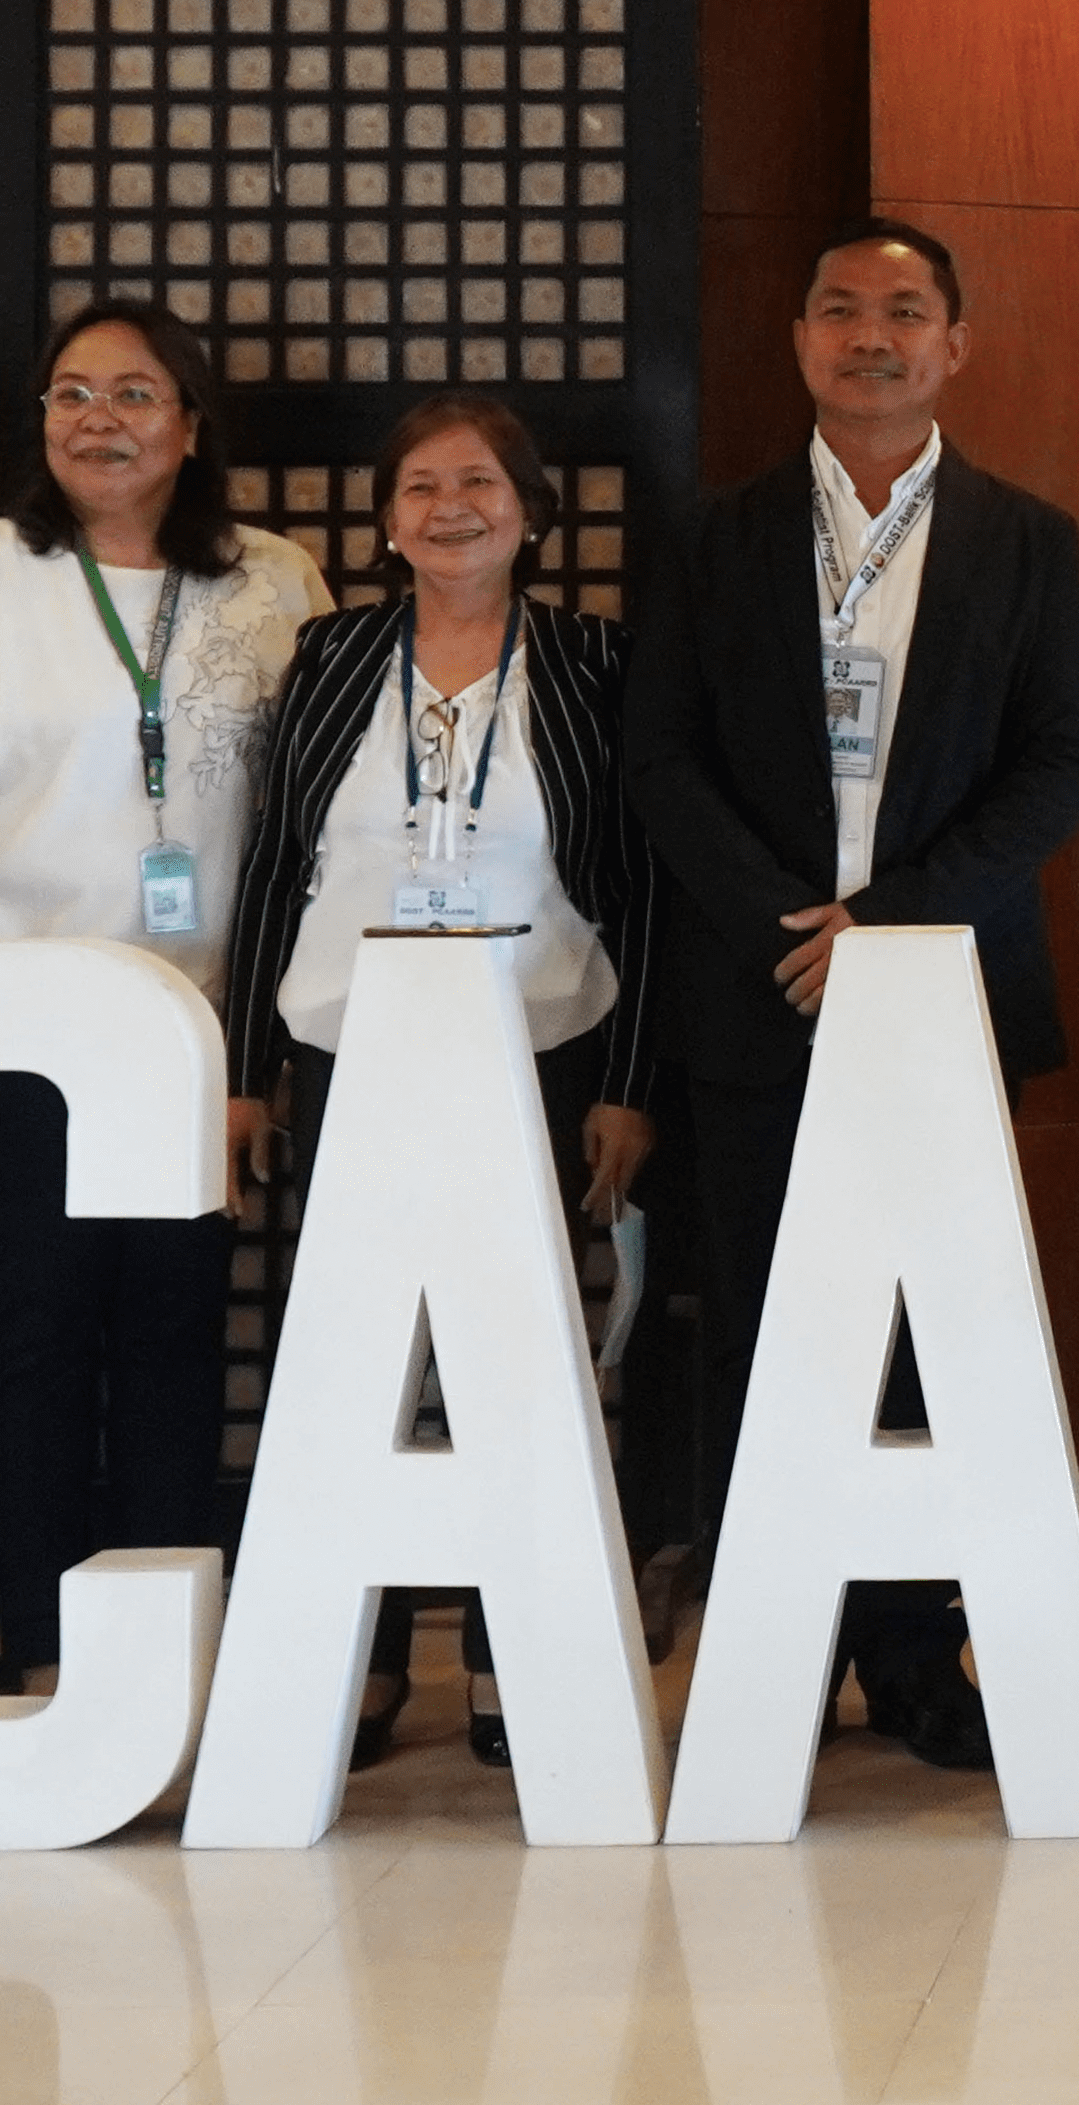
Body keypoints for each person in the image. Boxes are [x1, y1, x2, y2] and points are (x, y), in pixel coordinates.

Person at [625, 219, 1079, 1774]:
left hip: (942, 983)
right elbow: (659, 759)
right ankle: (776, 1650)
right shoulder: (714, 535)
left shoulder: (1028, 539)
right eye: (840, 308)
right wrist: (794, 924)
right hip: (758, 988)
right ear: (798, 337)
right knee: (767, 1323)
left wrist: (886, 923)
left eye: (905, 311)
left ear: (954, 344)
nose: (871, 336)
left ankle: (913, 1654)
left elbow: (1050, 767)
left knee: (926, 1333)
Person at [0, 296, 329, 1684]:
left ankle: (160, 1640)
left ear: (190, 424)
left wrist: (265, 1040)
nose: (96, 421)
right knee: (37, 1330)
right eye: (68, 396)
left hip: (192, 1025)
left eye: (131, 394)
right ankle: (44, 1628)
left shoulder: (274, 581)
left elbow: (319, 811)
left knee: (174, 1332)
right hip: (16, 1023)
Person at [224, 392, 657, 1774]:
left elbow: (641, 890)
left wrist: (631, 1081)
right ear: (383, 518)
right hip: (345, 1046)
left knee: (509, 1360)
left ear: (528, 511)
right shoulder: (334, 653)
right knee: (358, 1360)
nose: (448, 507)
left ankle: (497, 1651)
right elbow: (271, 868)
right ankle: (356, 1655)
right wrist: (246, 1072)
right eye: (418, 486)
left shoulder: (595, 660)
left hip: (537, 1044)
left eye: (478, 483)